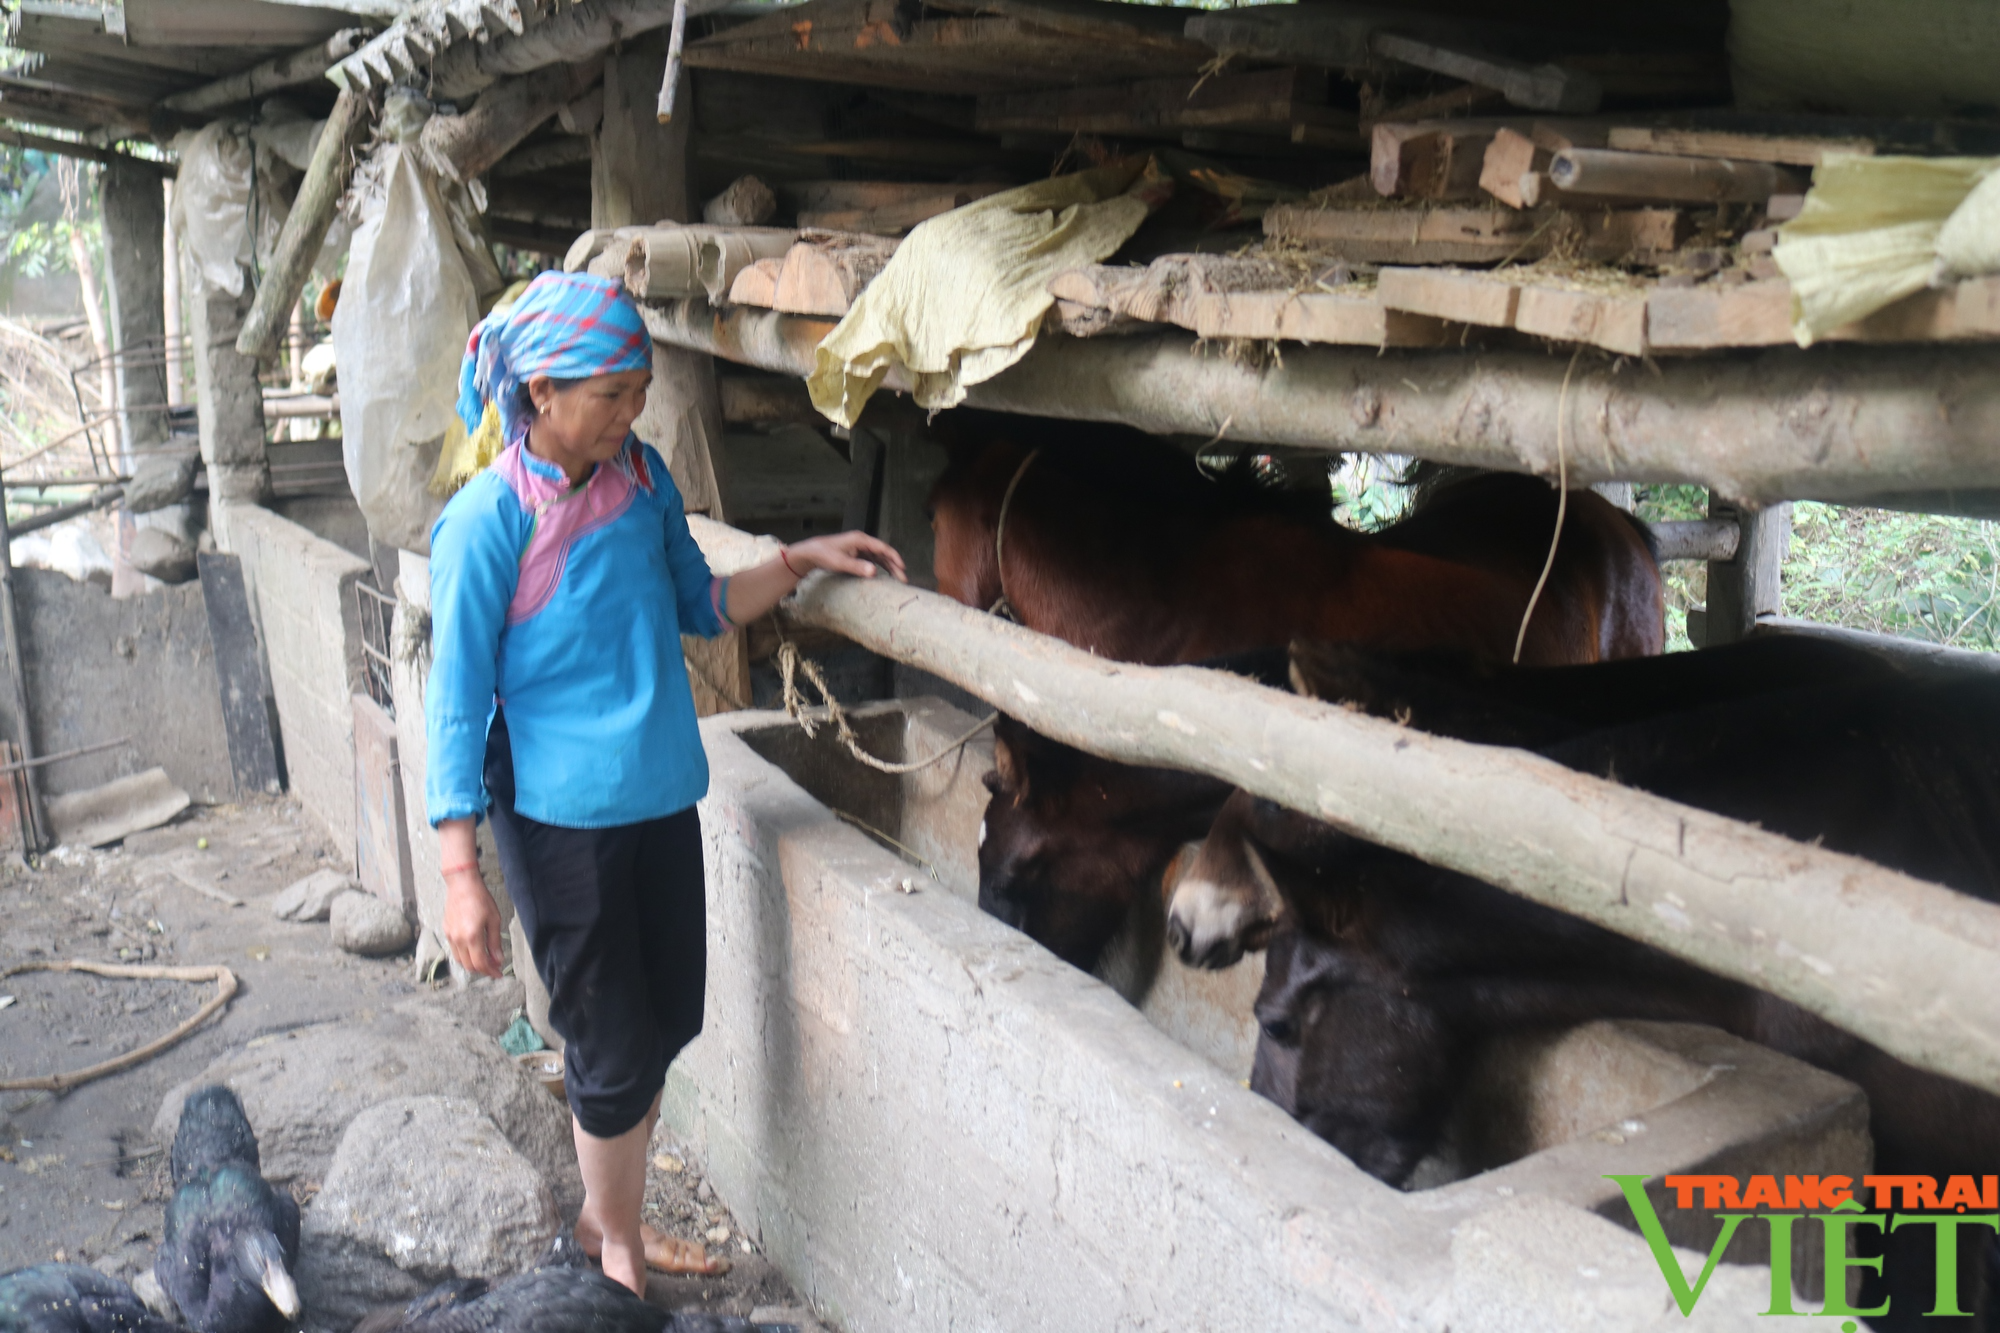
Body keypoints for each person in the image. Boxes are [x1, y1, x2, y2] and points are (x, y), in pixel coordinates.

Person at [424, 271, 904, 1295]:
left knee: (667, 1021)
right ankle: (614, 1251)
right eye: (612, 393)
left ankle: (606, 1216)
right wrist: (459, 867)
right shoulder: (484, 522)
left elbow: (705, 601)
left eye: (639, 389)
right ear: (540, 392)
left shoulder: (638, 479)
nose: (631, 411)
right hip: (560, 822)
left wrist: (799, 561)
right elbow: (456, 702)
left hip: (656, 795)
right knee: (610, 1044)